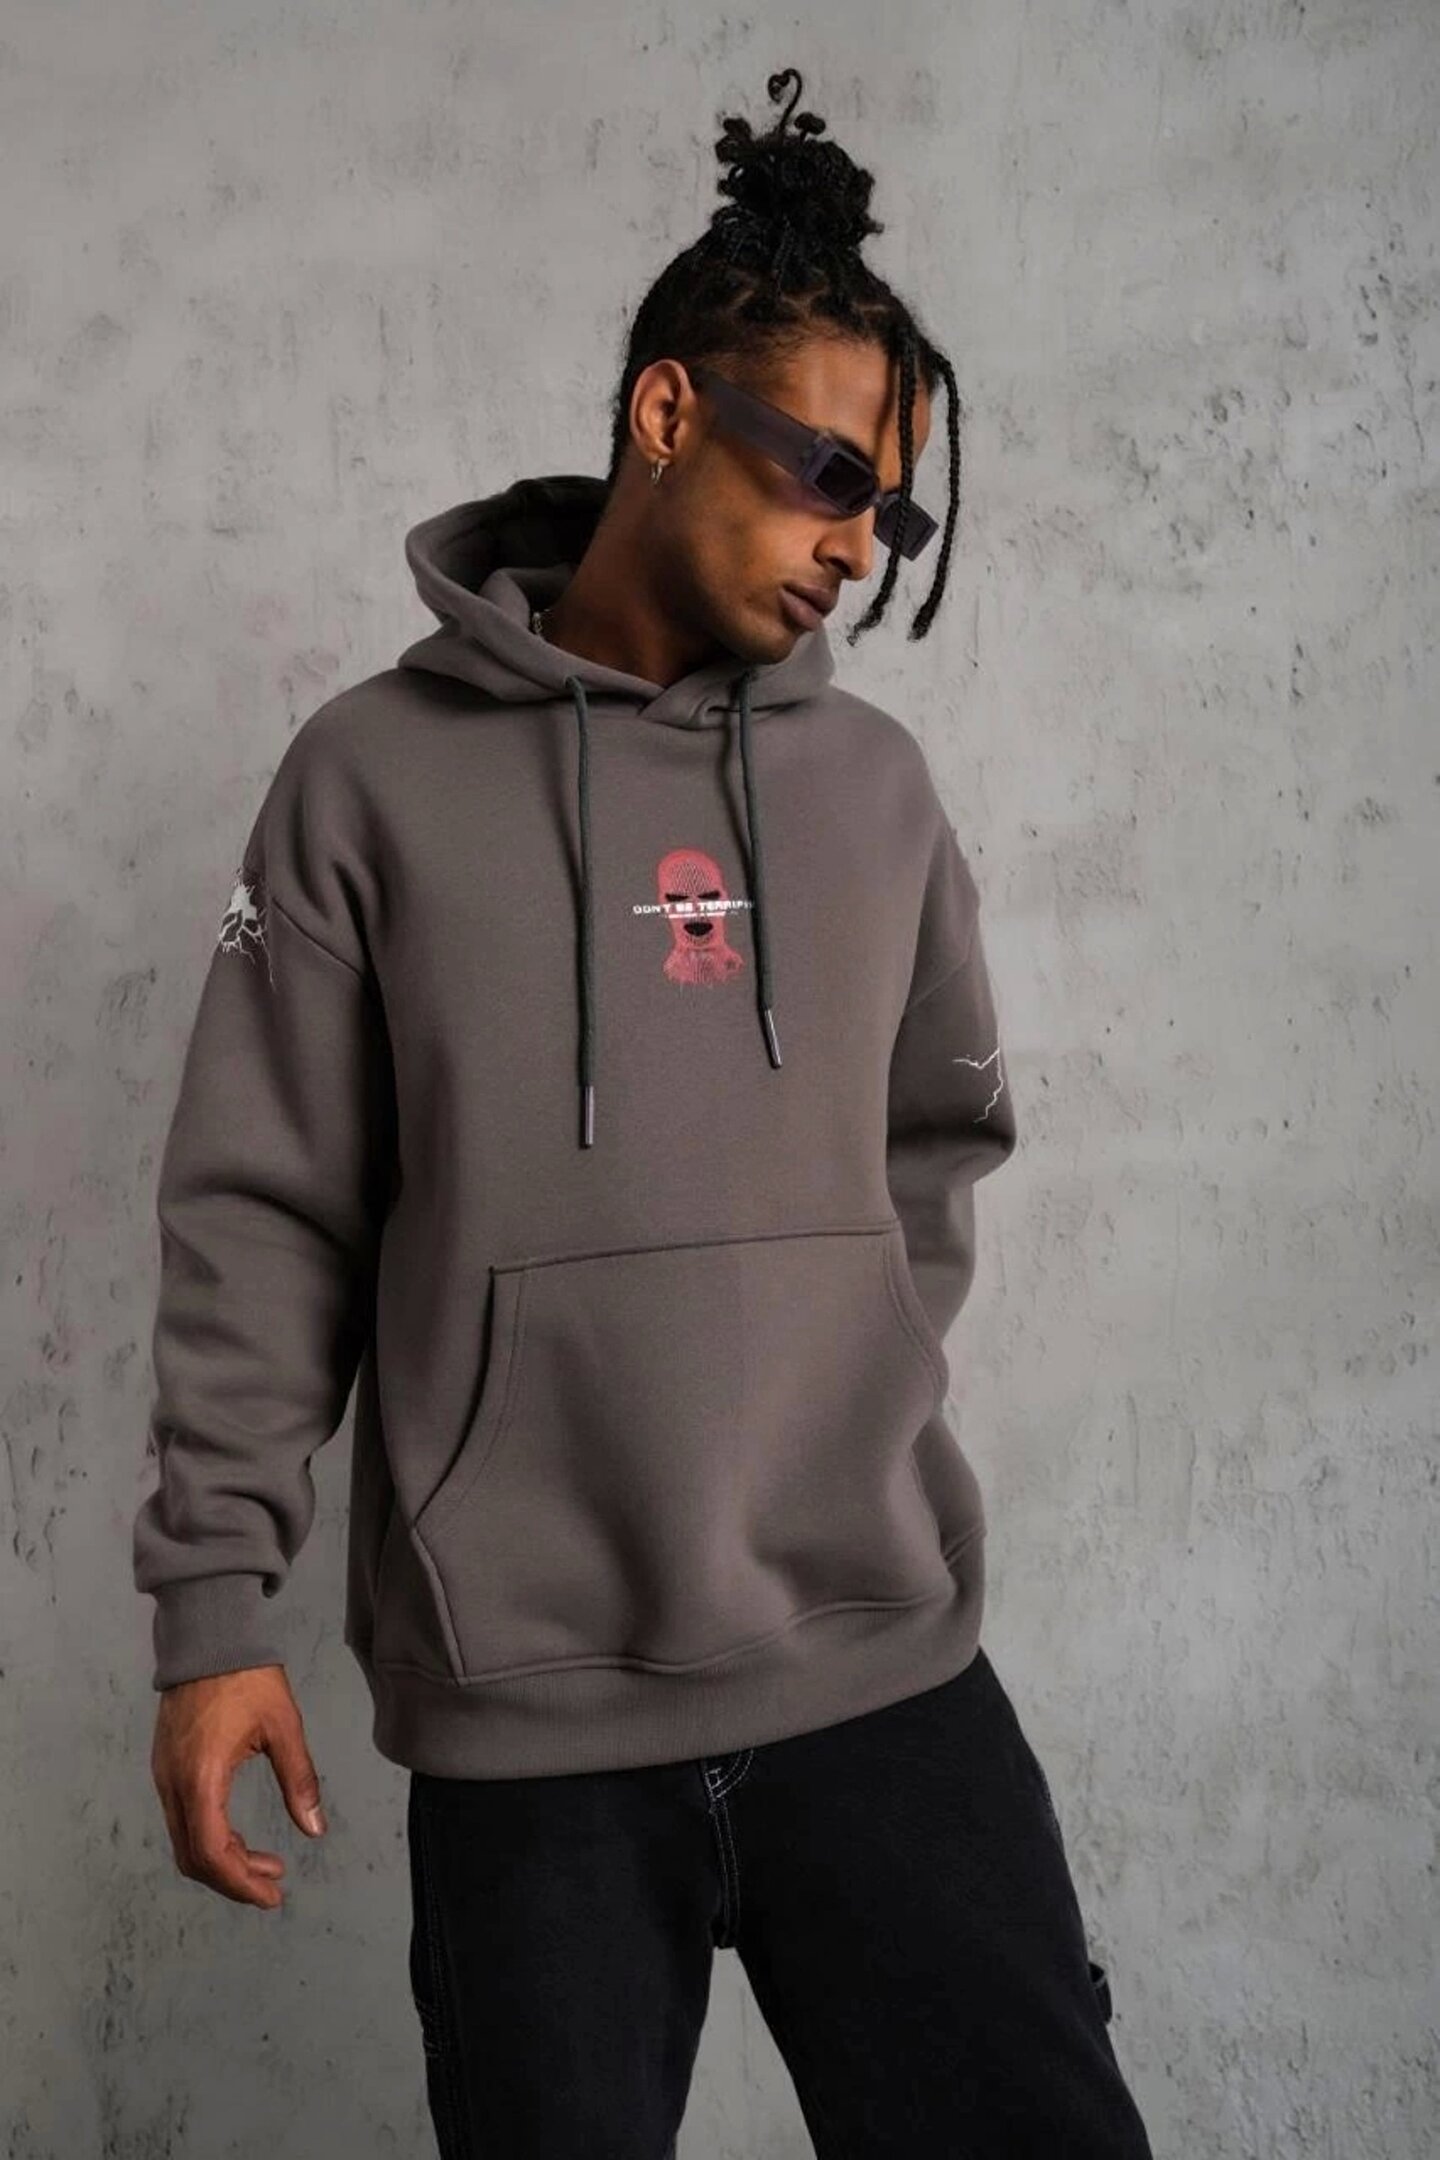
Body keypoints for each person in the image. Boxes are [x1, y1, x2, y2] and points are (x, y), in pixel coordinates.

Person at [135, 65, 1155, 2160]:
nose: (858, 546)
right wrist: (213, 1614)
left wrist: (822, 1367)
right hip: (531, 1714)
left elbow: (936, 1150)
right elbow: (262, 1210)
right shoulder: (367, 782)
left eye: (894, 513)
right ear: (669, 413)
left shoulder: (874, 796)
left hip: (878, 1660)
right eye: (832, 474)